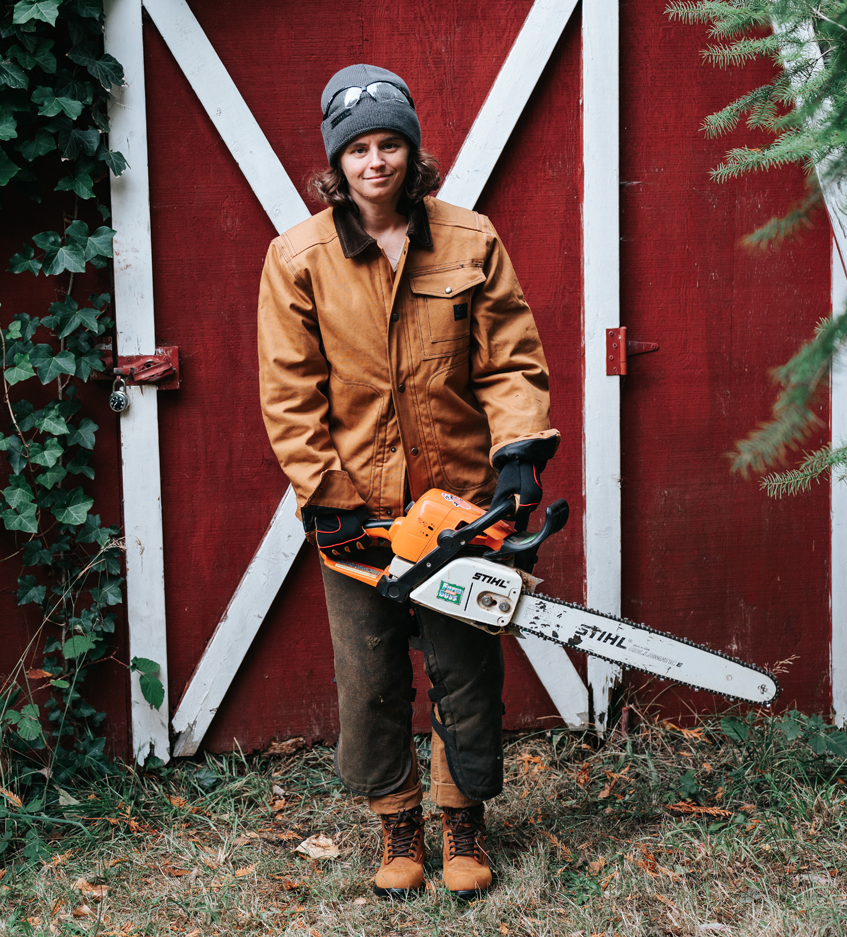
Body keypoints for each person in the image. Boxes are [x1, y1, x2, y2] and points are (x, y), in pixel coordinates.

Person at [258, 64, 559, 900]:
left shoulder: (469, 239)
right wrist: (325, 498)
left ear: (412, 152)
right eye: (358, 148)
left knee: (466, 666)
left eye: (390, 143)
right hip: (356, 509)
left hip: (459, 500)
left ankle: (462, 822)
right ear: (336, 162)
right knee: (371, 674)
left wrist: (517, 453)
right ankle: (397, 826)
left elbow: (510, 362)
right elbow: (290, 393)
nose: (375, 162)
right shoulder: (298, 258)